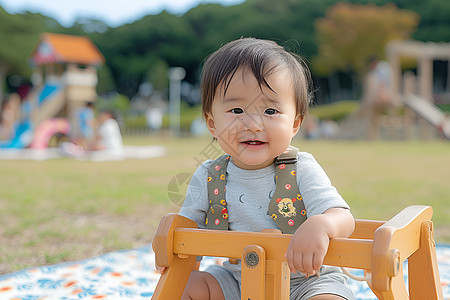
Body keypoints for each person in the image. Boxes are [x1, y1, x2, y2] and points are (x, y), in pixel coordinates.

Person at [155, 38, 355, 300]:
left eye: (270, 110)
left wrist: (323, 224)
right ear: (212, 123)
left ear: (295, 124)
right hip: (237, 281)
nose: (252, 124)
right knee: (183, 286)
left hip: (307, 281)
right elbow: (187, 229)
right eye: (237, 110)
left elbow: (344, 217)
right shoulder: (209, 175)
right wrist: (170, 243)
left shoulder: (301, 168)